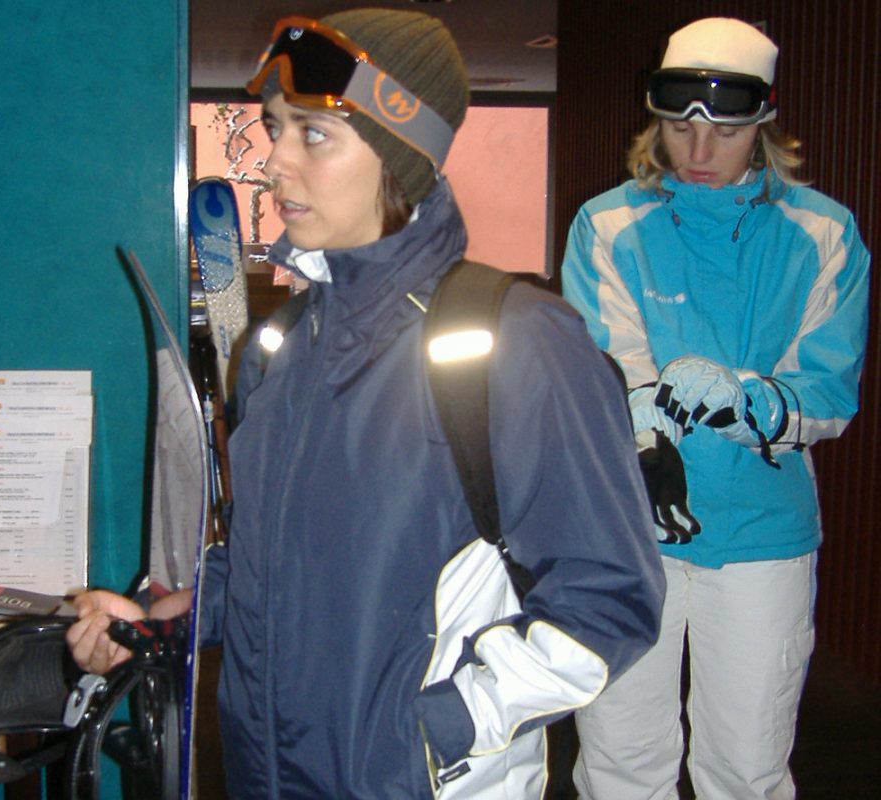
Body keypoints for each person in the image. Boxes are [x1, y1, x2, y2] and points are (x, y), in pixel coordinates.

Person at [70, 9, 664, 798]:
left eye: (313, 134)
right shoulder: (281, 350)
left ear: (400, 154)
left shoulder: (519, 343)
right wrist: (169, 617)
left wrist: (437, 729)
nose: (274, 162)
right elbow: (272, 566)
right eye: (274, 128)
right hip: (268, 774)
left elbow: (610, 598)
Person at [561, 17, 871, 800]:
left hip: (762, 532)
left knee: (746, 766)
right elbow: (606, 367)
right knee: (621, 759)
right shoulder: (607, 224)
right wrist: (644, 418)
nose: (698, 151)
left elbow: (829, 392)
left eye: (724, 133)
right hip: (632, 525)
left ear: (763, 124)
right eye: (678, 129)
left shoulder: (823, 233)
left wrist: (748, 401)